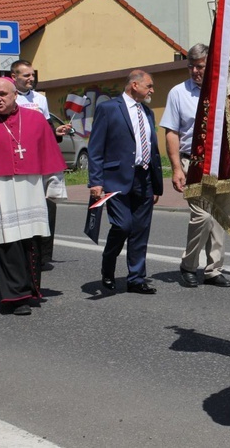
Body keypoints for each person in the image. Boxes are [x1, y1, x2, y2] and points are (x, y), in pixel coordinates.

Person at [0, 77, 67, 315]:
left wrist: (54, 187)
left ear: (15, 94)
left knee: (32, 241)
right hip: (0, 189)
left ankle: (29, 288)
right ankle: (16, 296)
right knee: (6, 243)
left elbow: (49, 155)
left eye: (2, 94)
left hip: (31, 187)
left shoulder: (36, 120)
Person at [160, 44, 230, 288]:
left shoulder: (224, 90)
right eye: (190, 66)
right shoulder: (178, 93)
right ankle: (189, 265)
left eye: (199, 66)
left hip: (222, 162)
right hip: (193, 161)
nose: (194, 71)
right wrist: (177, 168)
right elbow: (171, 132)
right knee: (202, 216)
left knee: (220, 216)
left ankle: (213, 269)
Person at [88, 70, 163, 295]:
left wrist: (156, 185)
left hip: (144, 178)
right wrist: (96, 181)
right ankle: (108, 267)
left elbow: (153, 148)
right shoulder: (109, 108)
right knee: (123, 225)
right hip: (115, 179)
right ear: (134, 85)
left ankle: (136, 278)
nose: (152, 90)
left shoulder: (147, 112)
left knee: (140, 230)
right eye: (148, 86)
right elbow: (96, 147)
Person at [11, 59, 71, 269]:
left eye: (32, 75)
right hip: (20, 160)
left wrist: (56, 132)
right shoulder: (10, 98)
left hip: (41, 160)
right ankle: (24, 253)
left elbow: (46, 128)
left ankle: (44, 255)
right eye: (26, 75)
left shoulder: (40, 99)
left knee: (47, 207)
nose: (31, 79)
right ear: (14, 78)